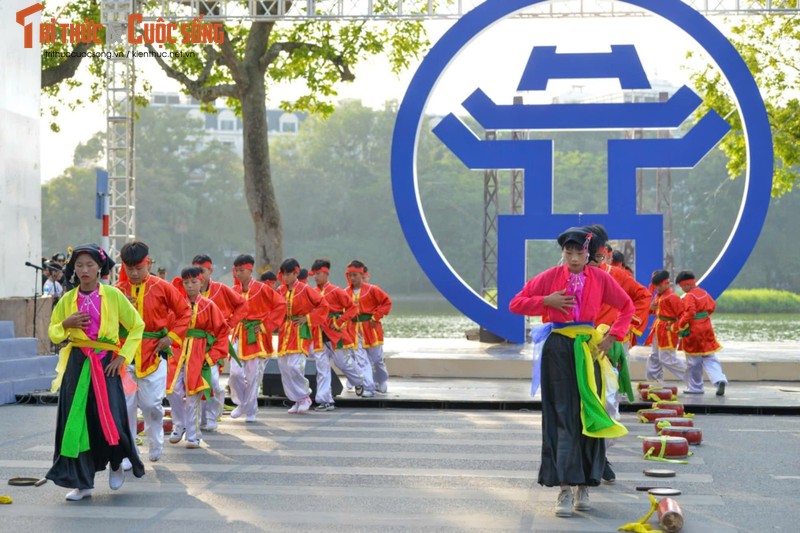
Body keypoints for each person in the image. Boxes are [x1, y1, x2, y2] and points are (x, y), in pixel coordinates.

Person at [509, 226, 634, 518]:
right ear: (563, 252)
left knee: (588, 414)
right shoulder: (551, 277)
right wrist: (546, 301)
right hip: (557, 350)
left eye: (580, 252)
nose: (575, 257)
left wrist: (613, 336)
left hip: (588, 351)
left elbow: (626, 306)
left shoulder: (602, 278)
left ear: (588, 252)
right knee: (561, 417)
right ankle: (564, 489)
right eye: (569, 252)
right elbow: (515, 303)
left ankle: (584, 486)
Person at [46, 243, 146, 501]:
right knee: (78, 422)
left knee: (110, 417)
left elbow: (137, 326)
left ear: (100, 267)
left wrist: (122, 356)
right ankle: (83, 483)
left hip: (106, 363)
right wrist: (66, 325)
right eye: (79, 265)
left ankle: (116, 462)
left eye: (90, 264)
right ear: (74, 269)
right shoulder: (68, 299)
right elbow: (53, 331)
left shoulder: (112, 295)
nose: (84, 269)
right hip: (78, 364)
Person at [585, 225, 651, 484]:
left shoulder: (617, 276)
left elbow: (642, 297)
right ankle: (589, 462)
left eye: (594, 254)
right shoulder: (569, 275)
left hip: (608, 350)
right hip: (577, 348)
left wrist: (624, 329)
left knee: (609, 402)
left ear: (603, 253)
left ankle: (601, 454)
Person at [116, 240, 192, 463]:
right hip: (124, 356)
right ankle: (129, 453)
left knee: (151, 405)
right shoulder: (116, 291)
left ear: (148, 263)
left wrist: (171, 337)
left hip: (154, 354)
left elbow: (185, 312)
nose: (135, 273)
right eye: (130, 269)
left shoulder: (162, 287)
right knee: (126, 406)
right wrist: (121, 309)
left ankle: (156, 442)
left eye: (139, 268)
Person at [166, 268, 229, 448]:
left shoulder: (209, 305)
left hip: (198, 354)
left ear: (201, 282)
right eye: (186, 282)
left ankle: (193, 435)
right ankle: (179, 424)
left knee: (193, 394)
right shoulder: (177, 305)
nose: (190, 286)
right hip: (178, 351)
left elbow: (222, 332)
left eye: (194, 282)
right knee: (172, 390)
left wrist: (212, 356)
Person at [192, 254, 247, 431]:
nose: (199, 274)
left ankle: (212, 416)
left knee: (213, 381)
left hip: (215, 342)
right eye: (196, 270)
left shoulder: (221, 289)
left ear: (211, 271)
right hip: (193, 343)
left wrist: (230, 324)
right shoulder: (189, 290)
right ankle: (199, 419)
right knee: (194, 381)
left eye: (203, 271)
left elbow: (242, 305)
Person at [309, 258, 373, 410]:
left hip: (335, 333)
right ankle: (325, 400)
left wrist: (339, 322)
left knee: (342, 363)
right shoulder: (312, 292)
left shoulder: (336, 291)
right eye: (314, 274)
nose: (315, 277)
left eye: (318, 274)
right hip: (318, 334)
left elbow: (352, 308)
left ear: (325, 273)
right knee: (322, 367)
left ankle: (360, 382)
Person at [230, 254, 285, 422]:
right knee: (235, 373)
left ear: (250, 270)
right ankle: (241, 403)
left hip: (255, 336)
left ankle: (250, 410)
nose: (239, 274)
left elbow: (281, 304)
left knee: (252, 375)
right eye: (237, 270)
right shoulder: (234, 291)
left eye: (242, 270)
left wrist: (264, 325)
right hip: (239, 333)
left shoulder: (262, 288)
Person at [275, 258, 329, 413]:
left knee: (295, 366)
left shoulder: (305, 289)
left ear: (295, 273)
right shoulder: (280, 290)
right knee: (284, 367)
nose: (285, 278)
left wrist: (308, 318)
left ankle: (305, 396)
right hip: (285, 331)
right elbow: (274, 308)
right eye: (283, 274)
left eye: (288, 274)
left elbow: (323, 305)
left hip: (299, 330)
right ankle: (296, 399)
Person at [674, 271, 729, 396]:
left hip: (694, 330)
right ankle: (719, 379)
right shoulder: (704, 292)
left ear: (688, 284)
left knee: (693, 361)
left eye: (682, 287)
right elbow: (712, 305)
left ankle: (696, 387)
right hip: (706, 327)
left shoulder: (689, 296)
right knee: (710, 357)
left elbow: (690, 313)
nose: (682, 289)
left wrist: (679, 325)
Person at [343, 260, 392, 394]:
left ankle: (381, 380)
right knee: (361, 360)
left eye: (355, 275)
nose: (352, 278)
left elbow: (386, 303)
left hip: (371, 329)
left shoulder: (372, 290)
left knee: (377, 360)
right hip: (354, 330)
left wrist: (376, 316)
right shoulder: (345, 292)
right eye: (350, 275)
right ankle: (369, 388)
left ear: (361, 275)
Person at [646, 270, 687, 385]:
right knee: (654, 356)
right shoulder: (659, 295)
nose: (657, 288)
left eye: (659, 286)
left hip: (668, 330)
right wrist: (651, 307)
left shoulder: (673, 297)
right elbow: (653, 311)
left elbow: (683, 315)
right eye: (656, 286)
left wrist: (676, 328)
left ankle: (691, 378)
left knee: (667, 359)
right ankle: (654, 381)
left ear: (666, 283)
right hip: (658, 328)